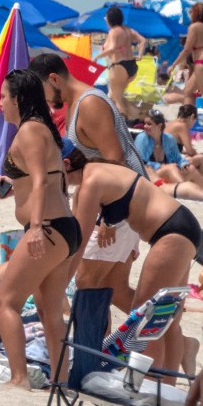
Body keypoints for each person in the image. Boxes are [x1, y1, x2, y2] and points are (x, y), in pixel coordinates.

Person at [65, 146, 202, 379]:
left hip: (170, 233)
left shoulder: (90, 182)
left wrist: (59, 282)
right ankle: (165, 389)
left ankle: (148, 385)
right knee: (164, 319)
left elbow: (79, 241)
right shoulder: (100, 170)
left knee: (146, 320)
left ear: (66, 165)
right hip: (181, 225)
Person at [0, 69, 80, 389]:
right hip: (64, 228)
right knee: (48, 309)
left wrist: (36, 227)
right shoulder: (41, 130)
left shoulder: (28, 131)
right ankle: (60, 381)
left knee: (5, 302)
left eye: (3, 97)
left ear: (18, 99)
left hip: (49, 228)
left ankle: (19, 378)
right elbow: (51, 179)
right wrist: (13, 186)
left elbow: (41, 180)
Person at [30, 53, 146, 313]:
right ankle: (173, 339)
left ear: (54, 79)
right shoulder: (76, 104)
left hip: (119, 204)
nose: (46, 100)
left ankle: (92, 352)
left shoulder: (89, 103)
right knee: (115, 289)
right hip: (121, 200)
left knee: (86, 283)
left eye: (44, 92)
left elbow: (115, 159)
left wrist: (109, 218)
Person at [100, 5, 147, 119]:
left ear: (110, 19)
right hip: (131, 66)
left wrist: (97, 57)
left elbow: (112, 49)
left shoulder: (113, 31)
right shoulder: (128, 30)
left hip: (118, 67)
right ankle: (138, 114)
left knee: (117, 100)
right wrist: (139, 55)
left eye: (106, 18)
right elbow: (143, 40)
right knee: (113, 97)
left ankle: (125, 123)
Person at [171, 2, 203, 106]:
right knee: (188, 92)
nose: (190, 14)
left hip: (201, 64)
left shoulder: (194, 27)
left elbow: (187, 49)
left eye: (191, 12)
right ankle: (189, 118)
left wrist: (173, 65)